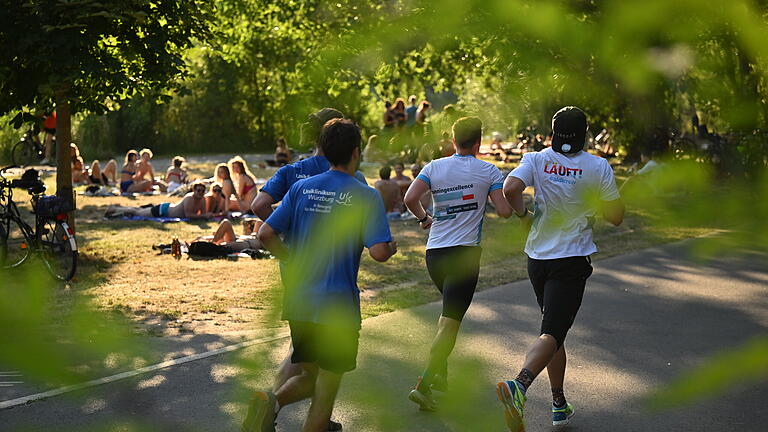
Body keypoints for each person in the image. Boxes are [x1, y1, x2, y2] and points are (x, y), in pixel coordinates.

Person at [244, 118, 397, 432]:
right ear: (356, 153)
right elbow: (379, 253)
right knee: (324, 396)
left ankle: (269, 401)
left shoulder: (301, 187)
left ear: (325, 151)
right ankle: (271, 403)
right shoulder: (365, 195)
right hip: (336, 307)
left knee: (310, 378)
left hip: (300, 303)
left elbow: (265, 233)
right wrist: (391, 247)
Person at [497, 106, 624, 431]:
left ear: (553, 131)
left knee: (553, 331)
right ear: (584, 134)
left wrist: (524, 216)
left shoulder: (536, 159)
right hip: (571, 260)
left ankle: (558, 404)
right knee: (553, 331)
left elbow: (510, 189)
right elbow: (616, 217)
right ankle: (520, 385)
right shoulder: (597, 165)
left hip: (538, 258)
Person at [403, 116, 513, 411]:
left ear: (453, 141)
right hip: (464, 256)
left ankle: (440, 377)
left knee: (447, 317)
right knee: (450, 323)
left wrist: (425, 218)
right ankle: (424, 385)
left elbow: (410, 198)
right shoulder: (489, 170)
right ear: (478, 142)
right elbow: (503, 211)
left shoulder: (434, 167)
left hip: (434, 254)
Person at [105, 181, 216, 219]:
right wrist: (204, 216)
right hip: (163, 210)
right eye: (198, 191)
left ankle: (117, 208)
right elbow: (188, 215)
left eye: (202, 191)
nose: (200, 193)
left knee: (138, 210)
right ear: (194, 190)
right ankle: (114, 208)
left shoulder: (202, 200)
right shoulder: (189, 198)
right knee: (137, 212)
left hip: (167, 209)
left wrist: (207, 215)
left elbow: (203, 214)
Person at [192, 218, 263, 252]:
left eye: (250, 226)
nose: (247, 227)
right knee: (225, 224)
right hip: (239, 240)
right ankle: (202, 241)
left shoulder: (262, 238)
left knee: (226, 223)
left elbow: (259, 222)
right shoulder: (254, 235)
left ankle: (210, 246)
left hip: (242, 243)